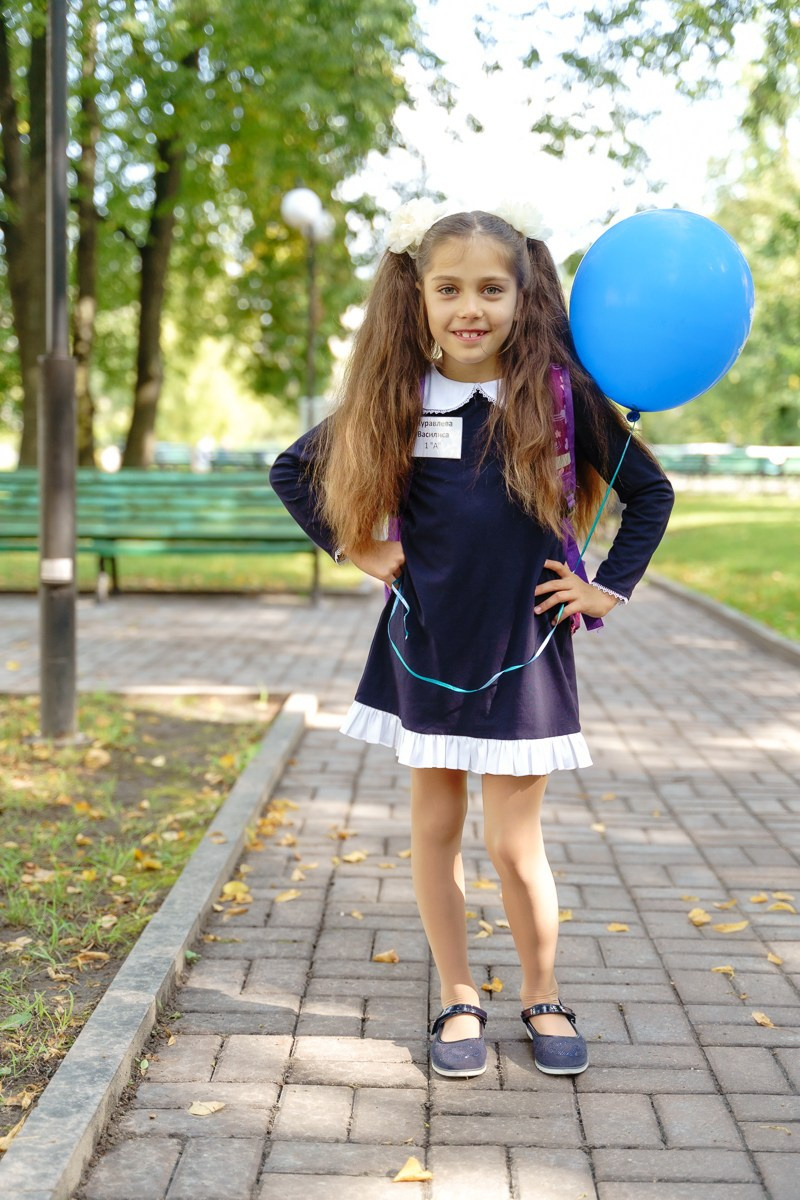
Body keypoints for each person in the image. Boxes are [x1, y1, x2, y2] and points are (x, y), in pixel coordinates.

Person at [269, 203, 674, 1080]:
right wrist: (363, 548)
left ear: (524, 298)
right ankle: (458, 994)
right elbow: (292, 470)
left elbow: (651, 496)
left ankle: (542, 990)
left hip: (523, 652)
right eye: (448, 288)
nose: (469, 308)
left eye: (491, 289)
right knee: (434, 829)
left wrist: (607, 586)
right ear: (414, 297)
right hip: (426, 648)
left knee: (513, 844)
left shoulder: (563, 399)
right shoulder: (398, 396)